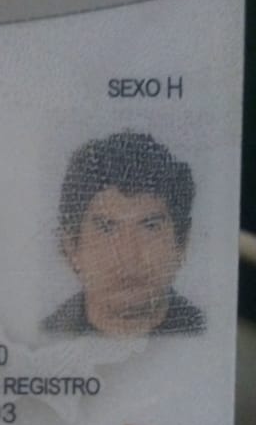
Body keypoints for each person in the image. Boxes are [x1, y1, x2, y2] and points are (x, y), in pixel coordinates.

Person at [43, 131, 205, 337]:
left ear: (182, 243)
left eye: (150, 226)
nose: (128, 258)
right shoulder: (42, 338)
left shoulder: (211, 334)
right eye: (106, 228)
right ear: (71, 246)